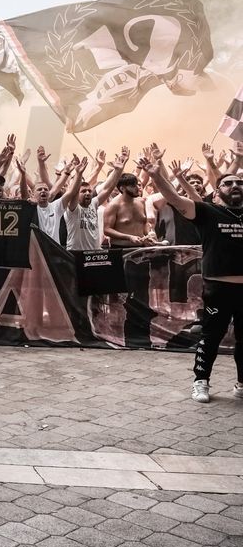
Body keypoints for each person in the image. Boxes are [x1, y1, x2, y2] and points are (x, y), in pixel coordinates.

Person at [137, 151, 243, 403]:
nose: (235, 186)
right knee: (211, 338)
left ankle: (241, 383)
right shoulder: (208, 212)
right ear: (217, 192)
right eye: (228, 183)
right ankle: (200, 382)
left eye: (239, 183)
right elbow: (174, 198)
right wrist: (156, 175)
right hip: (219, 288)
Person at [103, 173, 156, 247]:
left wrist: (148, 236)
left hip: (140, 248)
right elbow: (107, 230)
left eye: (137, 185)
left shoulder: (141, 202)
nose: (137, 188)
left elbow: (144, 223)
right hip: (121, 249)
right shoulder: (113, 205)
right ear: (122, 188)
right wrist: (129, 237)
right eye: (133, 186)